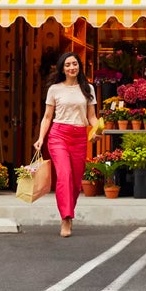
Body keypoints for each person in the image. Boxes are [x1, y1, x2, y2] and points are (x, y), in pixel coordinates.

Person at [34, 52, 101, 237]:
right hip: (58, 135)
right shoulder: (54, 89)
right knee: (64, 175)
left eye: (75, 64)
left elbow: (92, 116)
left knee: (76, 182)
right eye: (68, 65)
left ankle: (68, 213)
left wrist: (97, 131)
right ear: (62, 69)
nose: (72, 67)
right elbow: (47, 117)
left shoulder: (88, 88)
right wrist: (41, 138)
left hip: (79, 137)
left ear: (79, 66)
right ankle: (66, 218)